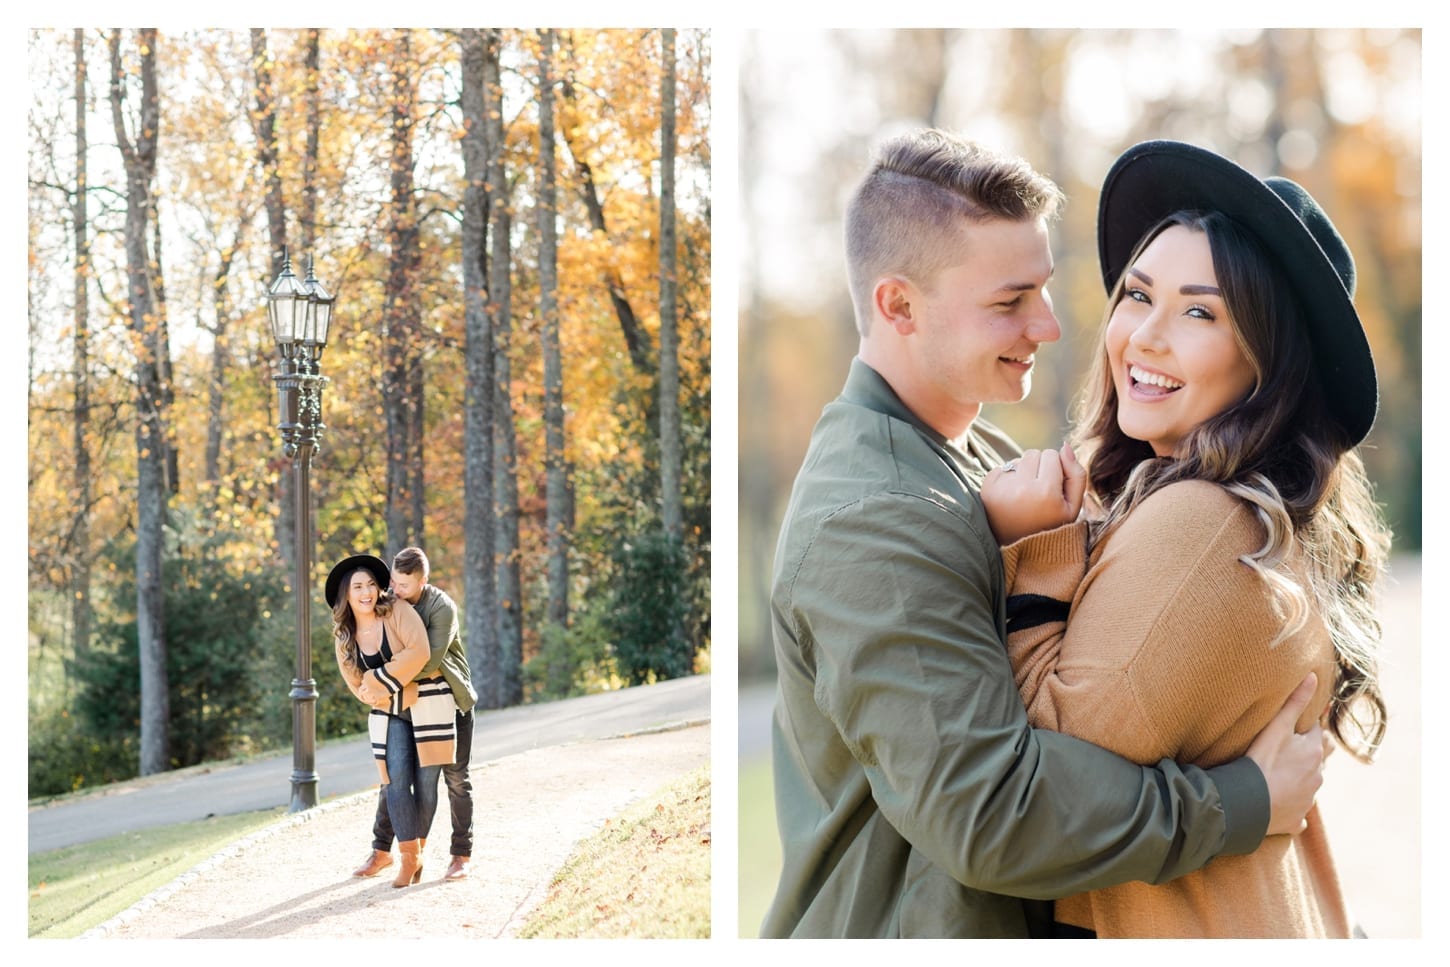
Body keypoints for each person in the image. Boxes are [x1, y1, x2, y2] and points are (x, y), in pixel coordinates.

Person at [763, 128, 1329, 939]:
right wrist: (1243, 800)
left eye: (1044, 289)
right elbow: (991, 817)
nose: (1052, 326)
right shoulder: (872, 520)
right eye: (1009, 302)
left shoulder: (987, 459)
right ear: (898, 305)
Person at [977, 140, 1390, 937]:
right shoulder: (1221, 510)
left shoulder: (1205, 522)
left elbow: (1044, 783)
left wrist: (1033, 561)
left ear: (1268, 365)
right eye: (1138, 295)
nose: (1145, 336)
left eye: (1200, 311)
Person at [327, 553, 457, 889]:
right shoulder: (344, 635)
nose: (367, 591)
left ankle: (421, 851)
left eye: (371, 584)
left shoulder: (398, 610)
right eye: (358, 586)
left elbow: (419, 651)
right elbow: (358, 685)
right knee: (396, 782)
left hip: (428, 704)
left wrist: (380, 680)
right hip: (390, 711)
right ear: (347, 594)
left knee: (426, 784)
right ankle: (408, 858)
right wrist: (389, 690)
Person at [350, 547, 479, 882]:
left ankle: (461, 855)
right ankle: (381, 851)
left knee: (455, 780)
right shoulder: (391, 602)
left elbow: (427, 661)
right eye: (393, 581)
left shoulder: (441, 608)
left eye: (405, 585)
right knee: (393, 776)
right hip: (407, 701)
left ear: (424, 580)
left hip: (450, 701)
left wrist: (380, 679)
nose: (397, 589)